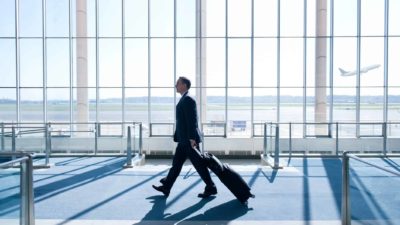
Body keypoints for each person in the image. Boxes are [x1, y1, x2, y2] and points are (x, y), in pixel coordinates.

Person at [152, 76, 217, 198]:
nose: (175, 85)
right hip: (183, 140)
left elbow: (192, 121)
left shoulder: (188, 99)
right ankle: (166, 187)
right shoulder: (184, 98)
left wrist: (192, 138)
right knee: (176, 165)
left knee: (199, 166)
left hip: (188, 141)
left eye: (177, 83)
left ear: (184, 85)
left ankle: (211, 187)